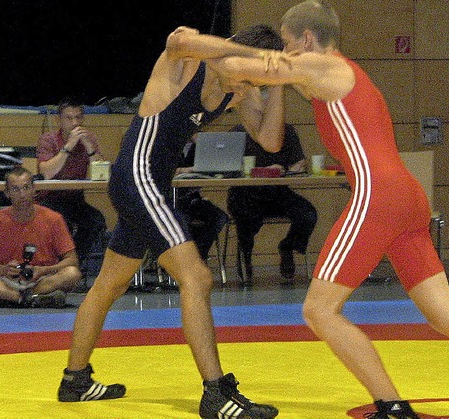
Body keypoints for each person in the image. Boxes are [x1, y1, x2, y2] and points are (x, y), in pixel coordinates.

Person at [211, 2, 449, 418]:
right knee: (446, 314)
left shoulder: (327, 67)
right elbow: (269, 136)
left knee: (318, 311)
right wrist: (252, 81)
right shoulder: (326, 75)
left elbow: (252, 67)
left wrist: (197, 47)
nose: (284, 53)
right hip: (405, 198)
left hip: (378, 197)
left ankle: (392, 407)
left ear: (305, 40)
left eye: (286, 43)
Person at [57, 24, 287, 419]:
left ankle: (75, 380)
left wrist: (278, 79)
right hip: (137, 178)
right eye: (243, 73)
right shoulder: (188, 62)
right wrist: (246, 58)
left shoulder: (239, 86)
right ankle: (216, 393)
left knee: (109, 285)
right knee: (196, 278)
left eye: (252, 80)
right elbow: (177, 39)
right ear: (234, 51)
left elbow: (271, 142)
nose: (242, 85)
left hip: (150, 187)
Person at [0, 167, 81, 308]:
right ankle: (23, 298)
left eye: (26, 188)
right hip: (5, 280)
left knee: (72, 274)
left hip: (42, 280)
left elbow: (72, 260)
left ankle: (6, 298)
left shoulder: (54, 219)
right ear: (7, 193)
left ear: (34, 190)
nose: (22, 194)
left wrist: (44, 270)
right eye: (15, 189)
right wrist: (4, 269)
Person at [228, 121, 317, 283]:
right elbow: (227, 167)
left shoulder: (287, 130)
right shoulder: (238, 131)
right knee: (246, 217)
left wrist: (295, 168)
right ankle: (244, 256)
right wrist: (265, 170)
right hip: (245, 193)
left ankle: (288, 246)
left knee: (308, 215)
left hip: (278, 191)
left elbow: (298, 162)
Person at [36, 98, 107, 276]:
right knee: (61, 223)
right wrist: (68, 147)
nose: (74, 123)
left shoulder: (88, 138)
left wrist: (90, 148)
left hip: (75, 199)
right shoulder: (48, 139)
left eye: (78, 118)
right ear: (59, 120)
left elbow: (102, 174)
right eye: (69, 118)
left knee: (96, 221)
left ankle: (73, 266)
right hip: (49, 199)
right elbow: (46, 173)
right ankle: (60, 268)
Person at [174, 136, 229, 261]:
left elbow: (213, 166)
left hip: (192, 199)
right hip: (169, 200)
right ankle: (187, 260)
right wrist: (185, 170)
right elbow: (159, 172)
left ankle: (196, 258)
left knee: (219, 218)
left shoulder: (197, 146)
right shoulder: (163, 145)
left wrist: (202, 143)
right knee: (182, 220)